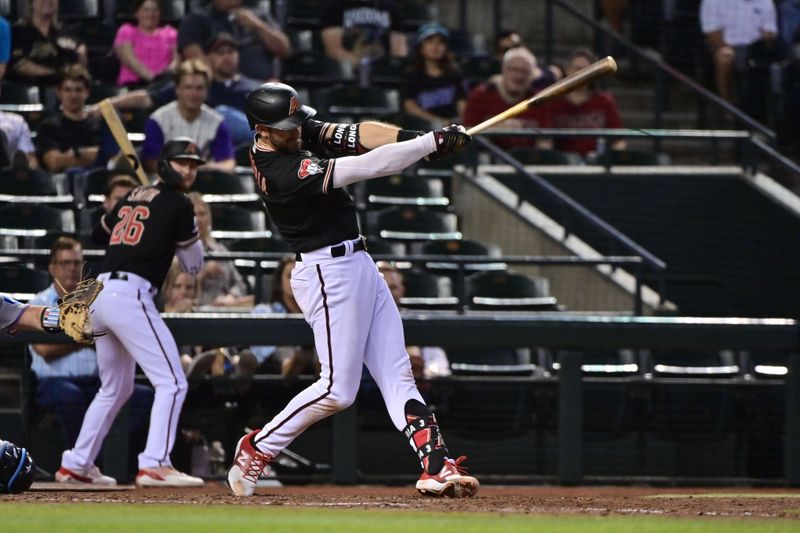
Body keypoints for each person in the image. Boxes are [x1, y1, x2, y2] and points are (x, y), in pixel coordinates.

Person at [226, 82, 478, 498]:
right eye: (285, 127)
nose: (296, 131)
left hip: (358, 263)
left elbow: (359, 135)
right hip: (325, 273)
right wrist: (429, 144)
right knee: (337, 389)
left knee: (398, 374)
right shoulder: (280, 170)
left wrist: (420, 142)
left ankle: (436, 465)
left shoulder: (291, 134)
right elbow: (363, 167)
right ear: (261, 130)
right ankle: (258, 446)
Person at [57, 138, 207, 488]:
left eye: (194, 164)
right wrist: (183, 227)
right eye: (183, 162)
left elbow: (99, 232)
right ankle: (155, 462)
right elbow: (193, 264)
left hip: (101, 293)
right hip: (130, 293)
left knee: (115, 387)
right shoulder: (179, 203)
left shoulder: (132, 195)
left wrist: (150, 211)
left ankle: (77, 463)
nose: (189, 170)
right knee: (172, 381)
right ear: (167, 163)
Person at [29, 236, 154, 453]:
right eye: (65, 263)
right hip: (54, 383)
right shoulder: (39, 302)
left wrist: (81, 338)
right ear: (52, 268)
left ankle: (104, 453)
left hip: (94, 381)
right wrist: (85, 340)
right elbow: (44, 350)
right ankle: (81, 457)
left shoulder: (97, 301)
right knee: (70, 396)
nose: (71, 269)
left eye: (76, 263)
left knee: (143, 396)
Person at [140, 60, 235, 173]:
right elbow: (150, 162)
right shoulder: (158, 120)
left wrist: (200, 169)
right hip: (166, 181)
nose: (193, 94)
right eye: (188, 87)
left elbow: (228, 163)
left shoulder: (217, 122)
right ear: (177, 89)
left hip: (203, 179)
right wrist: (178, 171)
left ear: (206, 91)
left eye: (199, 88)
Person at [463, 47, 553, 151]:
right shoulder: (480, 96)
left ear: (532, 76)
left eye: (524, 71)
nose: (518, 76)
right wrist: (494, 129)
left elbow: (546, 143)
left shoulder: (539, 101)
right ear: (503, 70)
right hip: (486, 160)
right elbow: (466, 138)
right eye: (514, 69)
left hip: (526, 159)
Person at [178, 0, 290, 81]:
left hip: (262, 91)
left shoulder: (258, 16)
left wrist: (258, 25)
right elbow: (196, 61)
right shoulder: (196, 20)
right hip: (221, 90)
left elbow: (284, 49)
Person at [375, 262, 450, 382]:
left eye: (393, 287)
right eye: (383, 288)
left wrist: (426, 370)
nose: (388, 293)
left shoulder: (418, 321)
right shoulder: (358, 321)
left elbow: (439, 363)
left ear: (402, 290)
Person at [544, 48, 625, 158]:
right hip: (562, 161)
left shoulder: (604, 101)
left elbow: (619, 141)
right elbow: (545, 141)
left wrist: (611, 158)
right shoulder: (553, 101)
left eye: (586, 70)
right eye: (577, 69)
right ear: (567, 70)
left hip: (595, 162)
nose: (581, 74)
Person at [249, 255, 317, 381]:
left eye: (300, 276)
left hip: (311, 368)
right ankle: (290, 364)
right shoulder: (265, 311)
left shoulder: (317, 313)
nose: (295, 281)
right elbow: (260, 352)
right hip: (272, 369)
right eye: (289, 276)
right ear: (280, 283)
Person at [700, 0, 779, 104]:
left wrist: (766, 37)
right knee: (724, 58)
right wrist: (727, 46)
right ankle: (728, 105)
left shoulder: (765, 2)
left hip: (756, 48)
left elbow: (770, 31)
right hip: (727, 47)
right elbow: (712, 32)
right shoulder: (712, 1)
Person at [188, 193, 253, 308]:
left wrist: (231, 296)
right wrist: (202, 273)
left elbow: (240, 284)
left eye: (202, 214)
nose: (198, 219)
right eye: (193, 214)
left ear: (209, 219)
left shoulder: (220, 251)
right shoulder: (177, 251)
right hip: (195, 308)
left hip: (224, 309)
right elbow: (174, 289)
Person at [35, 65, 101, 172]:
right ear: (58, 92)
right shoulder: (48, 127)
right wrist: (87, 154)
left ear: (87, 92)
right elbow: (54, 163)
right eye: (68, 90)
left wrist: (70, 156)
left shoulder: (99, 125)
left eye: (78, 90)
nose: (73, 95)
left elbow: (109, 160)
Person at [402, 22, 468, 130]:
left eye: (440, 42)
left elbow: (462, 104)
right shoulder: (412, 74)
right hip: (421, 130)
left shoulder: (455, 74)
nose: (435, 46)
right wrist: (436, 121)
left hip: (453, 128)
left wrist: (457, 124)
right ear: (420, 47)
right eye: (430, 41)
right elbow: (410, 107)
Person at [8, 0, 86, 87]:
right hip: (29, 88)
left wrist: (81, 55)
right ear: (31, 3)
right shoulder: (17, 31)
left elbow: (80, 63)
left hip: (64, 91)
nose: (48, 1)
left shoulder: (65, 31)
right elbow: (19, 64)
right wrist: (56, 74)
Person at [321, 0, 407, 69]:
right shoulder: (336, 4)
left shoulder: (391, 6)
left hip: (383, 71)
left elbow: (398, 50)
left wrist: (385, 69)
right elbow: (333, 49)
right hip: (345, 69)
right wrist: (360, 64)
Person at [113, 0, 178, 87]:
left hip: (163, 85)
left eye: (155, 10)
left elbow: (176, 60)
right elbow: (129, 59)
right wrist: (152, 78)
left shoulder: (171, 33)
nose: (151, 14)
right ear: (136, 13)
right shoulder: (127, 30)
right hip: (132, 85)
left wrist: (169, 71)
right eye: (146, 10)